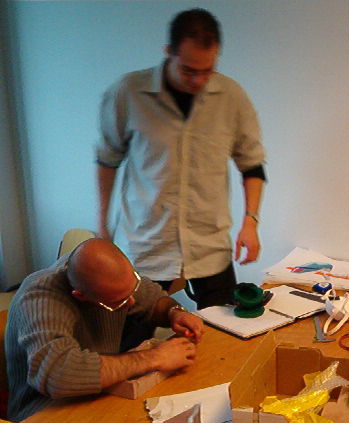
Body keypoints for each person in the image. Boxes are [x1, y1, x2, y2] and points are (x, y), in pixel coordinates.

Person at [96, 8, 266, 309]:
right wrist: (103, 227)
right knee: (132, 333)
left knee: (223, 332)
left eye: (208, 70)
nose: (199, 80)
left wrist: (250, 222)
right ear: (169, 52)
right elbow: (107, 160)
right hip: (146, 245)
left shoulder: (231, 97)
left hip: (209, 246)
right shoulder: (128, 93)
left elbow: (252, 164)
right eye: (188, 70)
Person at [4, 238, 204, 423]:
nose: (132, 301)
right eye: (119, 302)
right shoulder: (40, 299)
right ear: (80, 296)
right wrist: (155, 358)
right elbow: (58, 375)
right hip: (43, 413)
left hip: (97, 396)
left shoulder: (111, 275)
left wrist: (174, 312)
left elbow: (152, 300)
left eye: (132, 288)